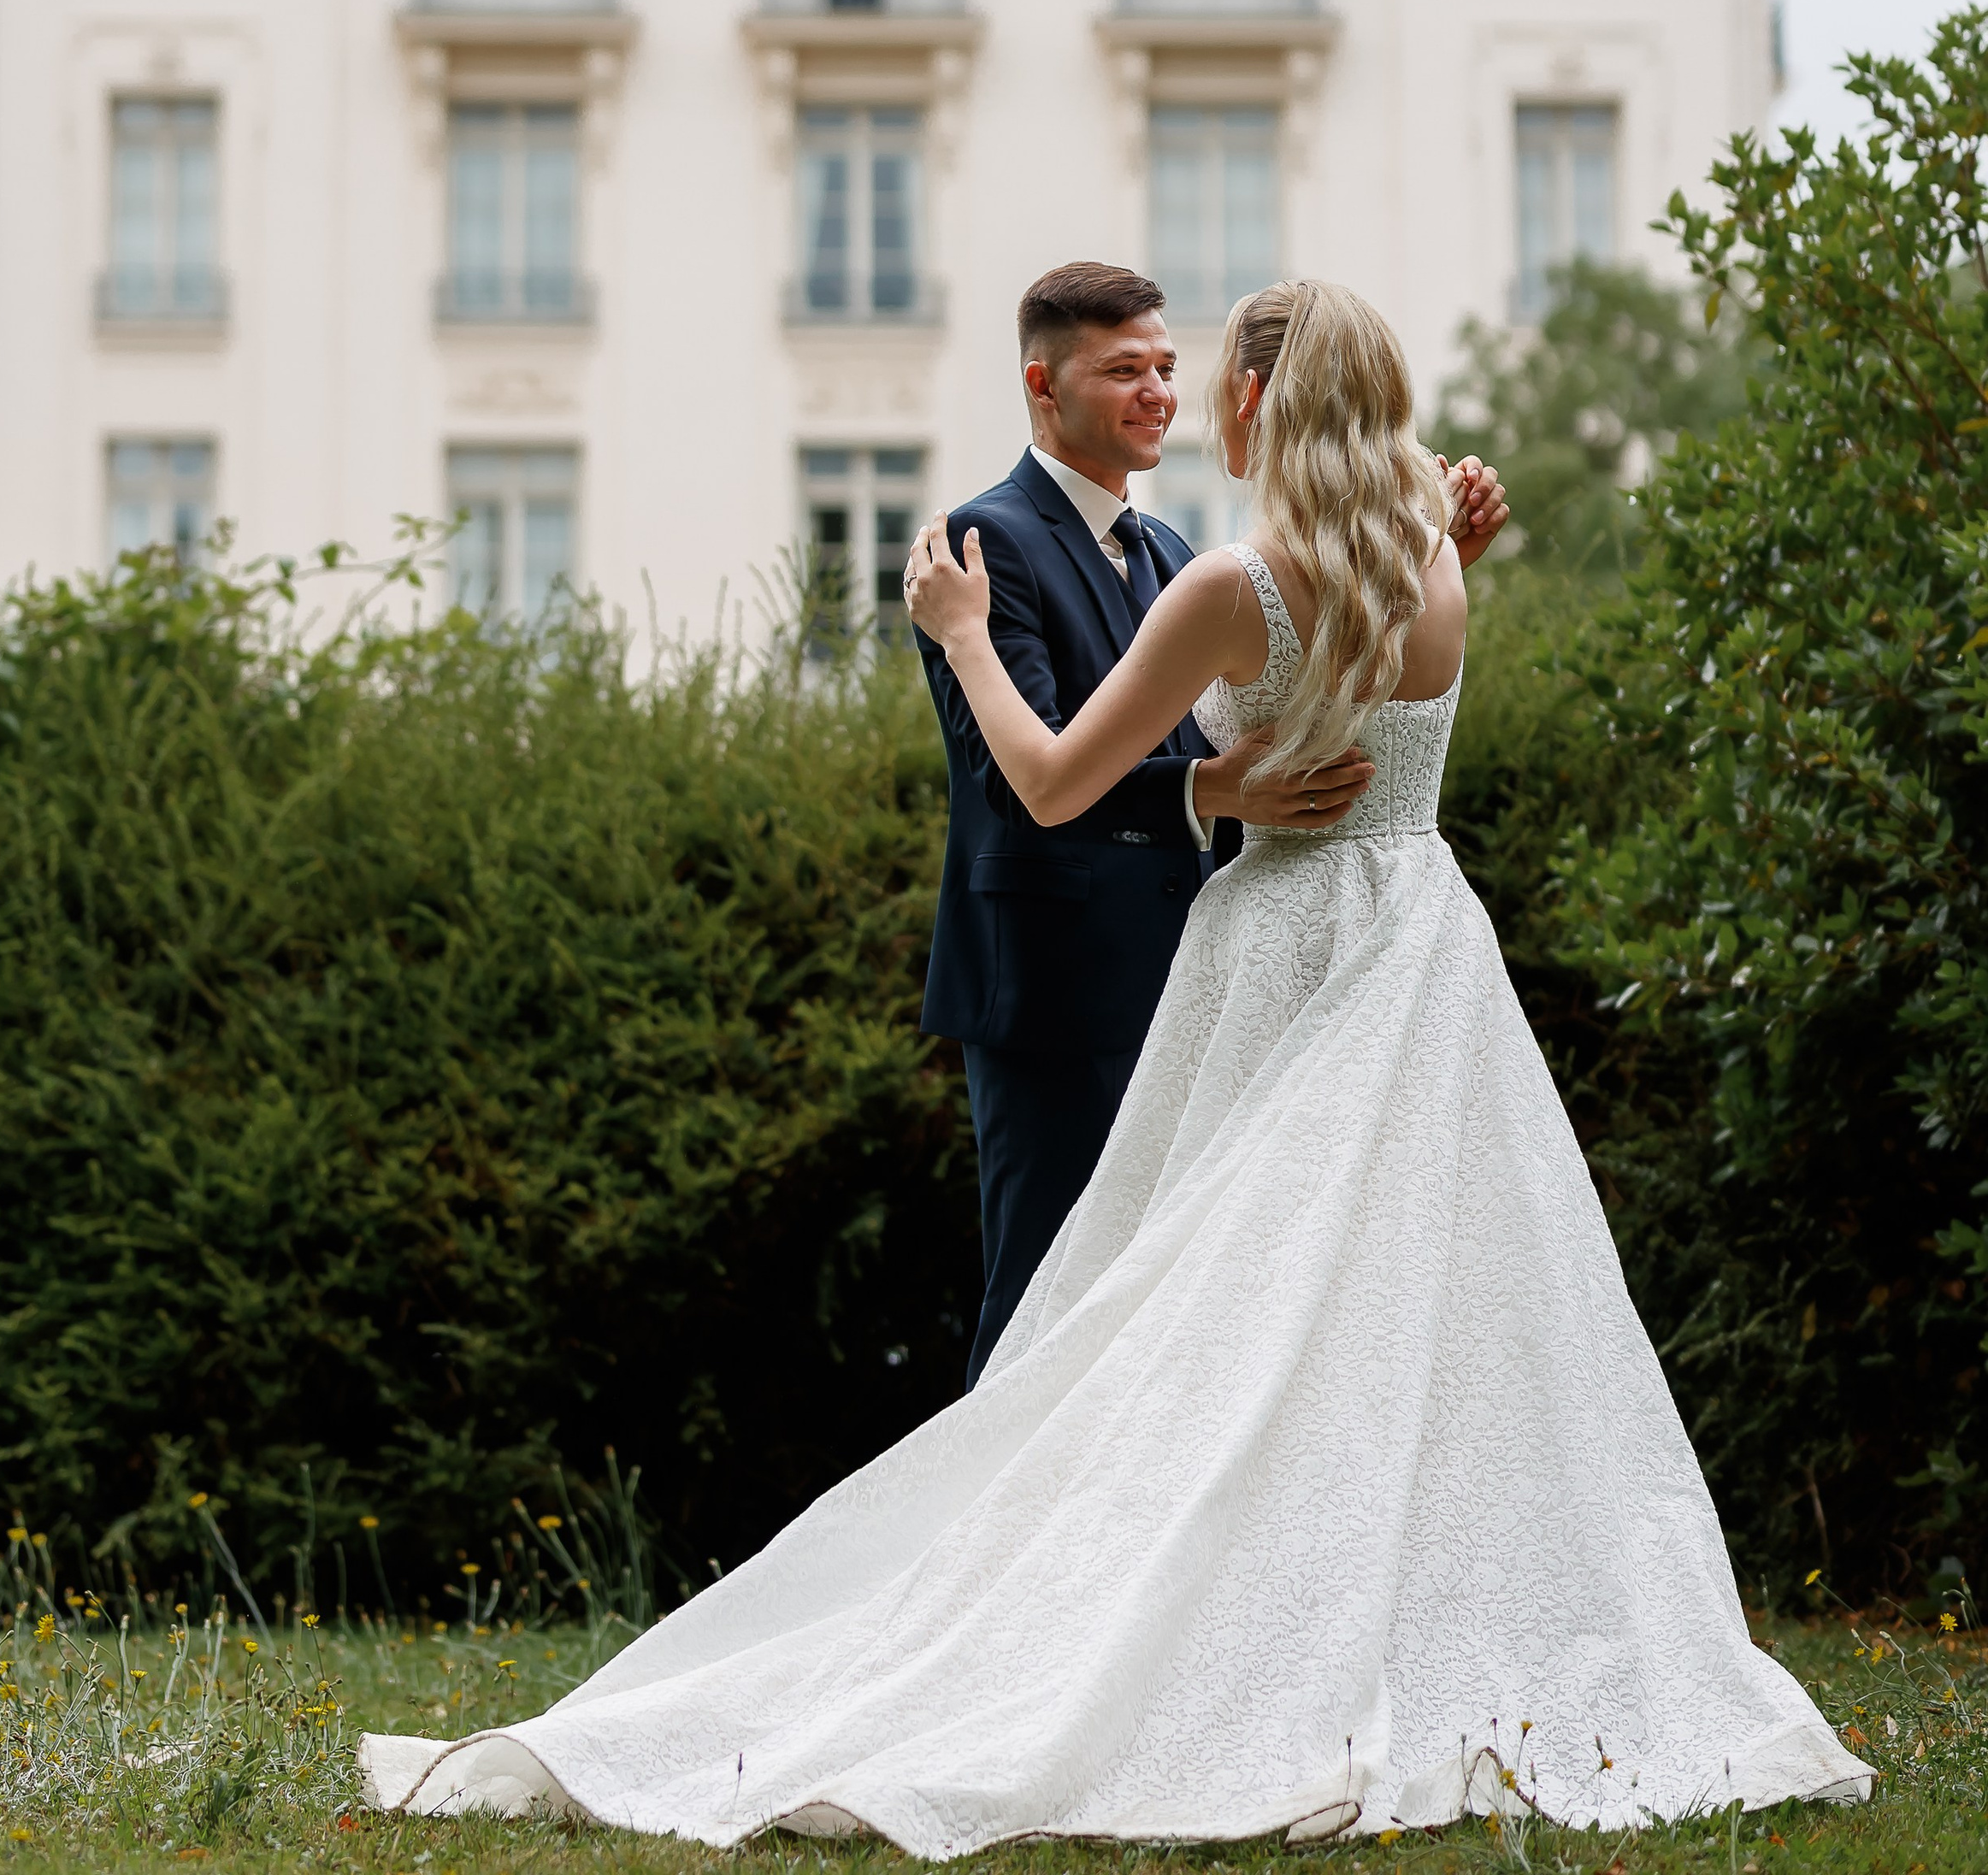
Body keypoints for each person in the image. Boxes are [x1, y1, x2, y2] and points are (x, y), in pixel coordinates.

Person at [359, 279, 1868, 1848]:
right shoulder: (1432, 573)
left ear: (1253, 410)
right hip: (1423, 940)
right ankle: (1379, 1621)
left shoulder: (1228, 584)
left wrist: (962, 638)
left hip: (1282, 949)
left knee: (1189, 1322)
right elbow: (1380, 619)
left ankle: (1145, 1622)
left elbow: (1059, 781)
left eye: (1203, 376)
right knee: (1396, 1318)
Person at [912, 258, 1505, 1381]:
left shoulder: (1193, 561)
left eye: (1169, 367)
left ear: (1248, 395)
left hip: (1224, 972)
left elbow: (1270, 699)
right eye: (1123, 369)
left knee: (1207, 1309)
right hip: (1057, 987)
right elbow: (1019, 780)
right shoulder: (982, 548)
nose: (1156, 392)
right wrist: (1204, 789)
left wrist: (1216, 785)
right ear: (1044, 388)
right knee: (1050, 1295)